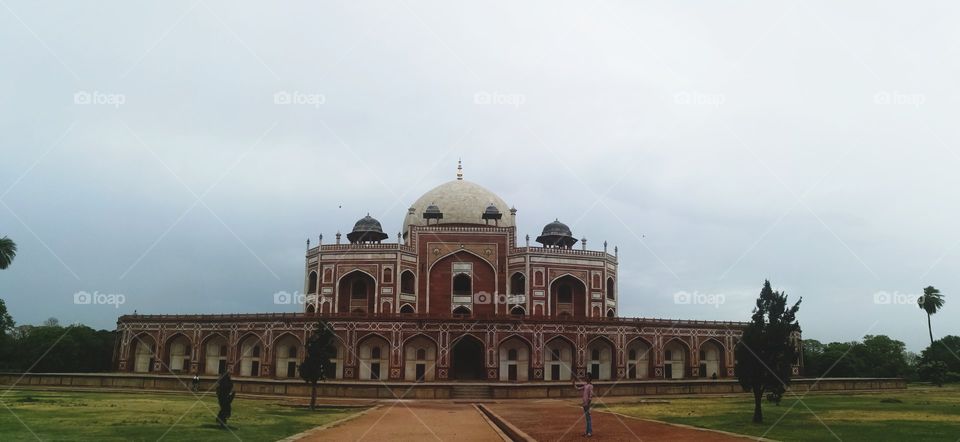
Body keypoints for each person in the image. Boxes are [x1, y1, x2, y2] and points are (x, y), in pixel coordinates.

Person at [572, 372, 594, 437]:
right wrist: (574, 384)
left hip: (587, 404)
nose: (585, 377)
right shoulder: (585, 385)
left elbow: (591, 396)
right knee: (587, 418)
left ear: (589, 378)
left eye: (587, 376)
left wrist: (588, 404)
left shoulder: (590, 386)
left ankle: (589, 432)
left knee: (588, 418)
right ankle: (587, 432)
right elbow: (578, 389)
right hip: (585, 404)